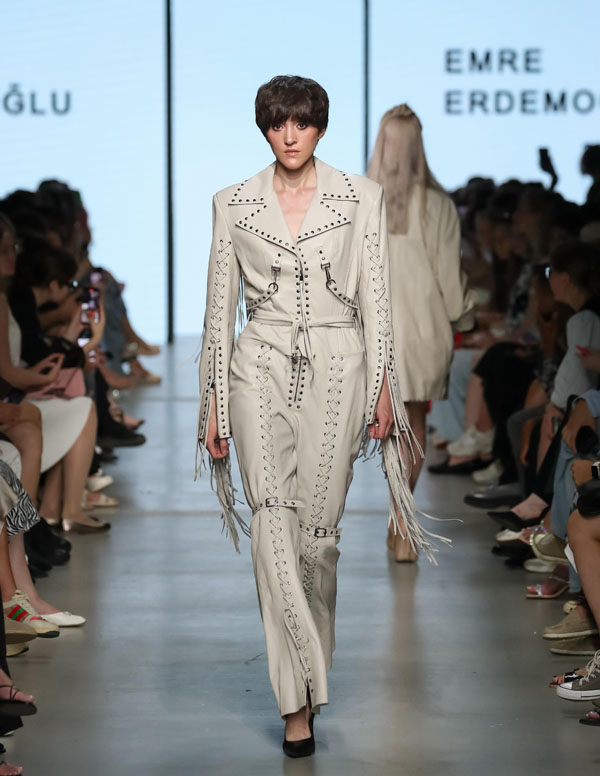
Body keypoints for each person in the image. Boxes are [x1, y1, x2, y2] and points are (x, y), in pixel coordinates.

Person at [197, 75, 426, 758]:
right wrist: (212, 400)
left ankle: (305, 675)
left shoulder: (361, 197)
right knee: (271, 519)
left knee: (317, 540)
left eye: (300, 123)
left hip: (341, 364)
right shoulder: (233, 203)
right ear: (264, 129)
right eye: (277, 124)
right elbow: (218, 310)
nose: (289, 136)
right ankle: (296, 704)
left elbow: (377, 298)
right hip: (258, 365)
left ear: (320, 127)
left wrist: (385, 387)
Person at [367, 104, 475, 561]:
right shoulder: (439, 206)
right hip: (424, 330)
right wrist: (464, 319)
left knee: (389, 429)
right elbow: (450, 279)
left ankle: (400, 520)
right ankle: (401, 522)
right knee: (413, 426)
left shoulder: (360, 202)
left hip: (375, 332)